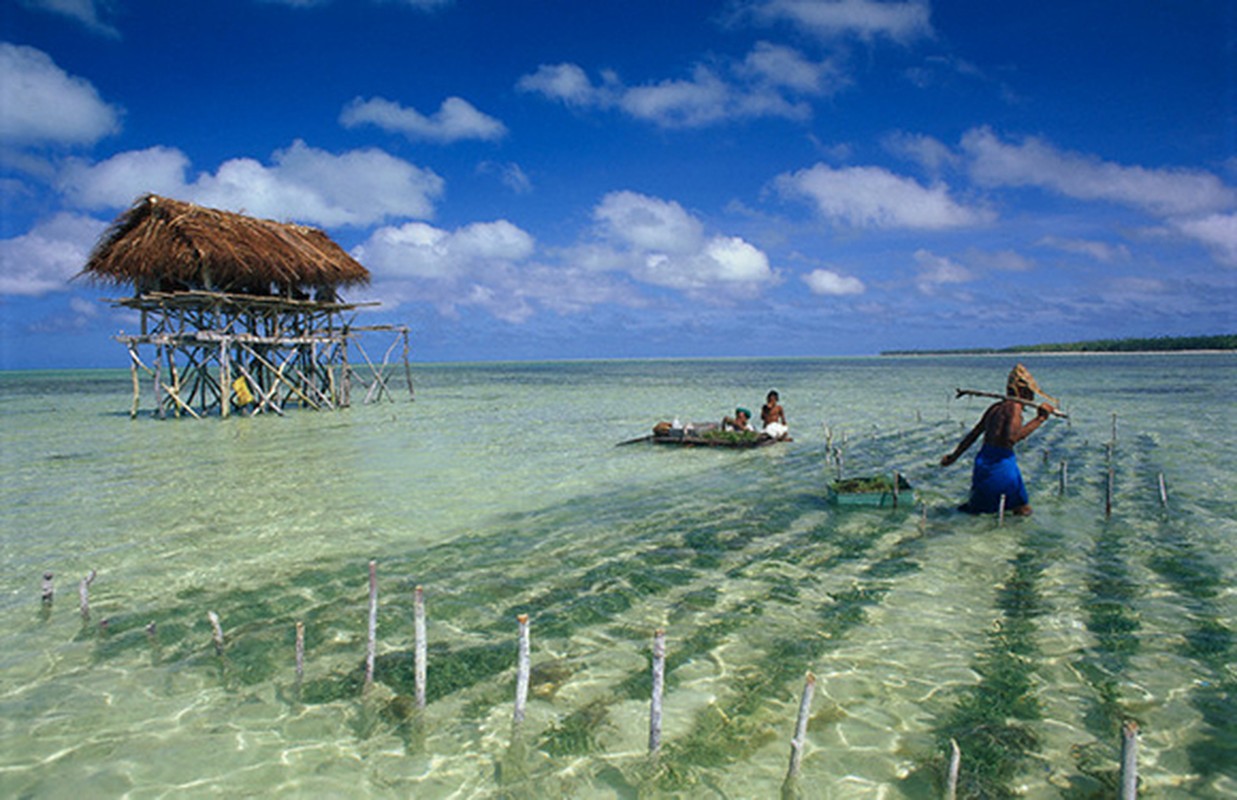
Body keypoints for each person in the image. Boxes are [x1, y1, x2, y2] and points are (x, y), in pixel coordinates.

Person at [940, 364, 1056, 515]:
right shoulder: (1015, 408)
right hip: (1001, 463)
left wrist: (953, 457)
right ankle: (1011, 537)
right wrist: (1040, 419)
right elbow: (1012, 438)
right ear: (1023, 392)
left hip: (982, 462)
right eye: (1029, 392)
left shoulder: (994, 408)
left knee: (979, 509)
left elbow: (973, 435)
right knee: (1022, 509)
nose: (1032, 397)